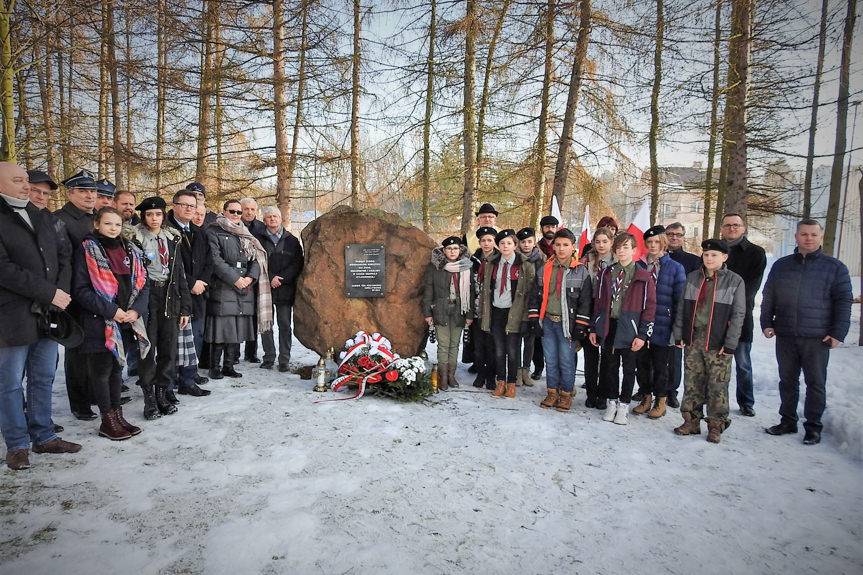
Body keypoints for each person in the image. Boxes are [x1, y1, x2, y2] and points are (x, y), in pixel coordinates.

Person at [0, 162, 81, 470]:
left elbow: (63, 257)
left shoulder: (43, 216)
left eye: (26, 180)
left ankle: (44, 436)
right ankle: (17, 445)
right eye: (18, 180)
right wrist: (49, 293)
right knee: (9, 383)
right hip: (11, 316)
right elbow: (4, 269)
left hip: (48, 313)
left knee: (44, 376)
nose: (26, 185)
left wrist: (60, 295)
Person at [761, 219, 852, 446]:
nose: (808, 238)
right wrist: (766, 322)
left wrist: (838, 333)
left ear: (820, 237)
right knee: (787, 380)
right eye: (804, 234)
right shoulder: (781, 266)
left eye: (813, 234)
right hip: (786, 333)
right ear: (796, 237)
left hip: (817, 337)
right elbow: (769, 296)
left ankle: (813, 427)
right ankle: (787, 421)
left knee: (815, 383)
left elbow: (843, 302)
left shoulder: (835, 267)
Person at [72, 207, 150, 441]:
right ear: (97, 224)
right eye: (107, 223)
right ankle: (107, 420)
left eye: (117, 224)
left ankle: (118, 416)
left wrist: (136, 310)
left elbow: (143, 283)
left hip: (126, 320)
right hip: (100, 321)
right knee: (102, 372)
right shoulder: (87, 249)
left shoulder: (130, 249)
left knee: (117, 370)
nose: (113, 228)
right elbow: (81, 290)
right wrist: (112, 311)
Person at [672, 239, 745, 444]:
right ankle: (691, 421)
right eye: (706, 255)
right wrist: (679, 333)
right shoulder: (693, 277)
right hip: (694, 338)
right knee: (692, 382)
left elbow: (738, 314)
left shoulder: (734, 281)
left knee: (717, 384)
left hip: (718, 340)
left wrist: (730, 343)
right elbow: (682, 308)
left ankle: (716, 424)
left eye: (714, 255)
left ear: (724, 257)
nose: (709, 258)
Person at [129, 197, 193, 419]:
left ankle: (162, 393)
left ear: (164, 215)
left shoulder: (172, 238)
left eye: (158, 214)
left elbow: (180, 274)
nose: (154, 219)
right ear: (143, 217)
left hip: (170, 296)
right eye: (149, 215)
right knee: (148, 349)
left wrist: (185, 308)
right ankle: (149, 398)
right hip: (147, 296)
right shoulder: (135, 239)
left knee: (168, 348)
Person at [589, 232, 656, 426]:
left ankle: (624, 405)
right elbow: (598, 302)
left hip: (631, 328)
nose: (621, 251)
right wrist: (594, 327)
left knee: (628, 369)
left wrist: (642, 334)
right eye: (618, 247)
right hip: (609, 326)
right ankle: (612, 402)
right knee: (610, 367)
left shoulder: (643, 276)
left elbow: (650, 307)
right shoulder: (606, 273)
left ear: (634, 250)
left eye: (626, 247)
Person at [527, 229, 592, 412]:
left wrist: (581, 325)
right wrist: (534, 319)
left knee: (566, 360)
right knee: (550, 359)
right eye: (558, 244)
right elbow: (535, 296)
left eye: (566, 245)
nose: (561, 248)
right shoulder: (544, 268)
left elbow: (585, 302)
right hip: (548, 321)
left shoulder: (581, 271)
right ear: (553, 246)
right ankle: (552, 391)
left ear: (573, 247)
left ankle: (566, 393)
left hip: (567, 324)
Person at [205, 200, 271, 379]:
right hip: (223, 286)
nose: (236, 215)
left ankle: (229, 366)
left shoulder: (245, 232)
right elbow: (215, 260)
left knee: (236, 328)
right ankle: (214, 367)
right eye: (232, 211)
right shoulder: (214, 230)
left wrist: (250, 277)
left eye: (238, 212)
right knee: (221, 330)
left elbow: (256, 259)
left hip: (244, 287)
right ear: (224, 211)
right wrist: (235, 279)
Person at [55, 169, 100, 421]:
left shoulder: (98, 218)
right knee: (78, 351)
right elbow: (62, 261)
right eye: (83, 191)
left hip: (99, 295)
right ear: (70, 193)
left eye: (92, 191)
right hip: (74, 296)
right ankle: (80, 403)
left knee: (95, 348)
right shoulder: (60, 220)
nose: (89, 195)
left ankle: (94, 394)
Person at [631, 225, 686, 419]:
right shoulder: (639, 265)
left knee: (661, 366)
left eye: (656, 242)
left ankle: (660, 401)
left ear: (663, 243)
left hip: (663, 324)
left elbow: (680, 301)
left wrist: (678, 329)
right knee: (642, 364)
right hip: (641, 324)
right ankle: (646, 397)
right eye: (649, 242)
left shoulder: (675, 268)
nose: (653, 245)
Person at [477, 229, 536, 399]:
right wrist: (484, 314)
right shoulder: (492, 263)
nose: (505, 246)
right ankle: (501, 381)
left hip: (514, 313)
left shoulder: (524, 265)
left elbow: (529, 294)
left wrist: (525, 318)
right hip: (497, 311)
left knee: (512, 349)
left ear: (515, 245)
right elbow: (486, 290)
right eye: (502, 243)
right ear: (498, 245)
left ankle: (511, 382)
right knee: (499, 349)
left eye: (509, 243)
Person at [165, 190, 212, 393]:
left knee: (196, 336)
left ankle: (189, 377)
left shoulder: (199, 231)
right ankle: (173, 379)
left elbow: (209, 260)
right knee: (176, 339)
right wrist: (192, 282)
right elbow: (170, 265)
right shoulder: (166, 230)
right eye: (184, 205)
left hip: (199, 293)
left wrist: (202, 282)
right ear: (174, 206)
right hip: (175, 293)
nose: (188, 209)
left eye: (192, 206)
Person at [720, 213, 766, 417]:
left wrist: (730, 305)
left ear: (744, 228)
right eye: (728, 225)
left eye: (736, 225)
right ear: (722, 228)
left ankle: (746, 401)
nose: (732, 228)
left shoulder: (756, 253)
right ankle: (714, 399)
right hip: (715, 316)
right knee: (715, 364)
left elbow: (751, 288)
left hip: (741, 316)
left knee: (743, 363)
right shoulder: (714, 250)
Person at [423, 236, 474, 390]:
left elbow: (471, 293)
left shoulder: (466, 267)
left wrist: (469, 315)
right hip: (441, 310)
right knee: (443, 345)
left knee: (454, 345)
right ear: (444, 251)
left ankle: (452, 375)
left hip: (460, 310)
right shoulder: (435, 267)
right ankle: (443, 376)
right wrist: (428, 313)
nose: (452, 251)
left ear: (460, 250)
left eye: (455, 248)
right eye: (449, 249)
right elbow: (428, 291)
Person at [256, 207, 304, 372]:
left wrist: (281, 278)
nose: (272, 219)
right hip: (265, 287)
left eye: (275, 216)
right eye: (269, 217)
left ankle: (284, 359)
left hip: (285, 288)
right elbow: (256, 261)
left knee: (284, 325)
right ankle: (269, 357)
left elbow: (297, 263)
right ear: (264, 220)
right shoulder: (258, 239)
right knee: (266, 325)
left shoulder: (292, 240)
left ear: (281, 218)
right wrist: (270, 278)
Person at [663, 221, 701, 408]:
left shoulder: (693, 261)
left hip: (679, 313)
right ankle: (647, 389)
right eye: (670, 234)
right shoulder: (657, 257)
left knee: (674, 357)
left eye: (678, 234)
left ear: (683, 237)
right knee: (651, 354)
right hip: (658, 311)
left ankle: (671, 391)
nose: (674, 238)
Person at [580, 227, 615, 409]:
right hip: (590, 307)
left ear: (611, 242)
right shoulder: (587, 260)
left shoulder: (617, 260)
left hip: (609, 310)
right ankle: (591, 393)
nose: (601, 245)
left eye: (605, 241)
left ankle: (603, 393)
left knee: (608, 356)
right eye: (598, 241)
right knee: (590, 355)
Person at [516, 227, 546, 386]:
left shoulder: (541, 259)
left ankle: (526, 371)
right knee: (515, 340)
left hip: (533, 305)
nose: (526, 245)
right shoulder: (514, 258)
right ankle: (516, 371)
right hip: (516, 305)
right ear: (518, 243)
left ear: (534, 242)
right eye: (523, 242)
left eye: (529, 241)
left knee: (529, 341)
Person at [470, 226, 498, 390]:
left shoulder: (499, 259)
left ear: (494, 242)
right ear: (479, 242)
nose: (486, 243)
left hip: (494, 310)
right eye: (483, 241)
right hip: (476, 309)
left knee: (492, 346)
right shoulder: (474, 260)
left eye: (489, 240)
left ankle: (491, 376)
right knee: (479, 346)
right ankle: (480, 374)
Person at [239, 197, 266, 363]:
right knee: (237, 314)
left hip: (256, 276)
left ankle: (251, 352)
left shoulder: (261, 228)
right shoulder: (234, 225)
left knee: (254, 316)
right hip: (237, 275)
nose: (249, 212)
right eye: (246, 209)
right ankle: (234, 353)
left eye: (252, 209)